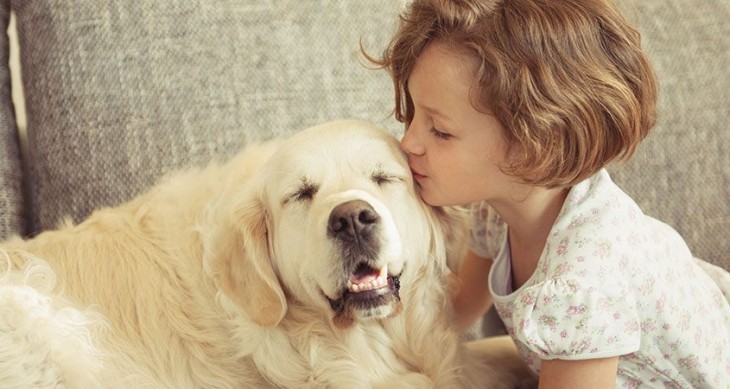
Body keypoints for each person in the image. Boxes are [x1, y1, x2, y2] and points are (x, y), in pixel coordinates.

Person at [368, 0, 730, 387]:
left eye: (439, 130)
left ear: (534, 147)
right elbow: (451, 313)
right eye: (412, 117)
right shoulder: (499, 214)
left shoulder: (583, 281)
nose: (408, 143)